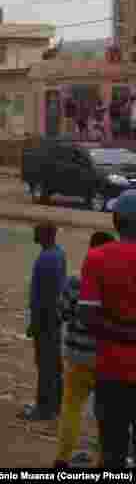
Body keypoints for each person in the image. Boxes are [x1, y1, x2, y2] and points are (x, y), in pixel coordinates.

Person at [80, 191, 136, 469]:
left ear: (116, 220)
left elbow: (88, 317)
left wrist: (121, 333)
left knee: (112, 450)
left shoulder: (96, 258)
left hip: (111, 369)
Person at [55, 231, 116, 468]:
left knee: (71, 409)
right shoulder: (116, 282)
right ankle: (103, 461)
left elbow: (62, 314)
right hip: (105, 357)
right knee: (106, 415)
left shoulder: (75, 280)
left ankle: (62, 459)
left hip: (77, 356)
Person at [21, 221, 66, 421]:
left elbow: (45, 296)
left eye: (37, 231)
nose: (34, 233)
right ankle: (55, 405)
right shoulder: (58, 254)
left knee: (45, 364)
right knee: (54, 364)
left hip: (46, 318)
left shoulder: (46, 258)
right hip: (54, 317)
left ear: (45, 235)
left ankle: (44, 408)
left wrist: (35, 322)